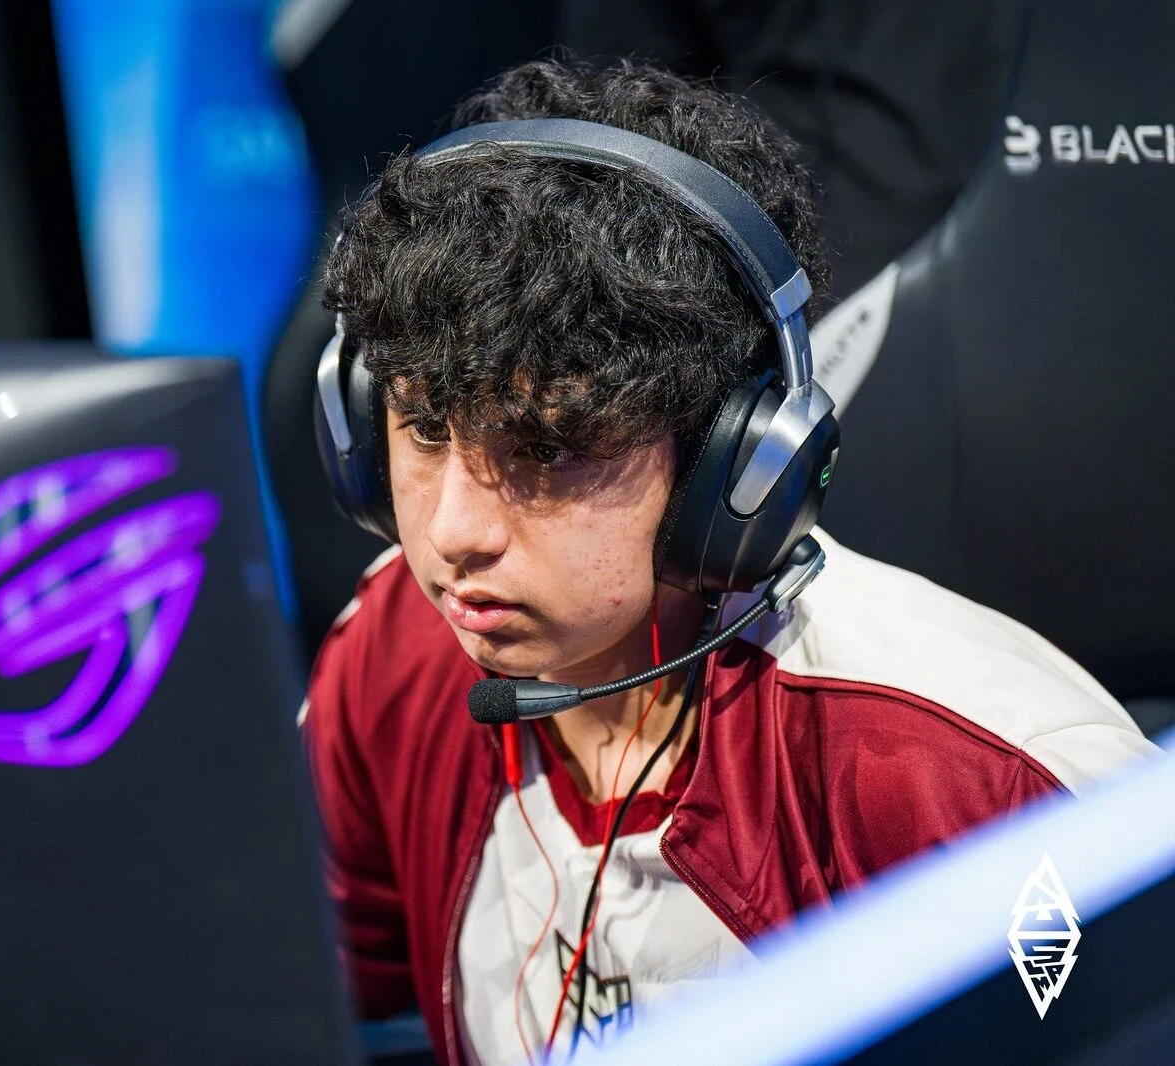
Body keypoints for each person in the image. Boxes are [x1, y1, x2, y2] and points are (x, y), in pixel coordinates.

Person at [299, 58, 1156, 1066]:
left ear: (733, 460)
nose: (452, 533)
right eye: (424, 428)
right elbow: (286, 992)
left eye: (546, 450)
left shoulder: (972, 780)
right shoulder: (395, 655)